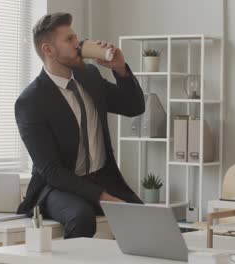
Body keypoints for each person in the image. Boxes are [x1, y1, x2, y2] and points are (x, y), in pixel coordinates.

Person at [15, 12, 145, 238]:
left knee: (147, 220)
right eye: (69, 40)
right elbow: (51, 170)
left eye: (76, 38)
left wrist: (120, 68)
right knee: (81, 218)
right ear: (48, 50)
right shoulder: (30, 102)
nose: (78, 44)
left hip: (102, 176)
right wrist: (102, 197)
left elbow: (134, 107)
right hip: (58, 186)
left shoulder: (90, 76)